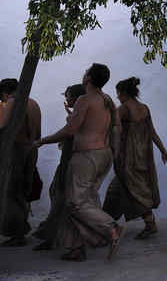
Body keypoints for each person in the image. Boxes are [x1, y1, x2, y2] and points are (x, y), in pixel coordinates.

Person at [34, 63, 124, 262]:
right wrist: (114, 152)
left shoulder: (85, 99)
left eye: (86, 72)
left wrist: (43, 140)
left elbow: (70, 130)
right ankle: (75, 248)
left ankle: (110, 227)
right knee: (78, 200)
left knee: (76, 202)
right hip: (104, 154)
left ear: (88, 79)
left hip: (87, 156)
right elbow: (117, 128)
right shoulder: (107, 99)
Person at [103, 77, 167, 240]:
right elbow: (152, 132)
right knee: (136, 190)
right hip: (143, 157)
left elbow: (114, 131)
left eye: (118, 93)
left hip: (128, 158)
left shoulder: (123, 109)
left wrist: (114, 154)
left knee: (118, 191)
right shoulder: (144, 108)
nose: (117, 96)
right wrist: (163, 151)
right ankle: (148, 223)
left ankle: (106, 226)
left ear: (124, 93)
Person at [32, 84, 85, 251]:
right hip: (69, 162)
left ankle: (51, 236)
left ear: (77, 99)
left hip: (70, 163)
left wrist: (43, 141)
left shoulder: (77, 118)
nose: (66, 99)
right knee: (57, 193)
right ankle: (53, 235)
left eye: (69, 96)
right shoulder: (78, 116)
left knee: (60, 198)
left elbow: (66, 134)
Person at [0, 78, 41, 247]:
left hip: (16, 150)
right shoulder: (33, 103)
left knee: (11, 191)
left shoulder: (12, 102)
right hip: (31, 149)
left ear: (4, 93)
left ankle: (17, 234)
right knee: (23, 191)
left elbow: (2, 126)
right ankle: (20, 230)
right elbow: (37, 132)